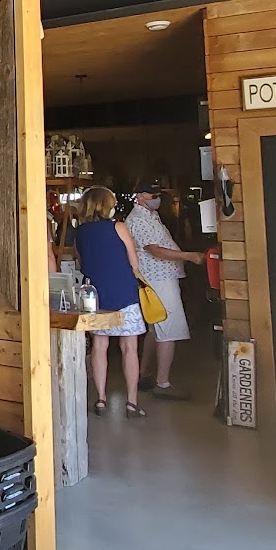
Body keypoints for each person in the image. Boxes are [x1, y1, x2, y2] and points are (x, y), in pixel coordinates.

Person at [69, 186, 148, 418]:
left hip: (95, 296)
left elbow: (81, 261)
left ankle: (101, 399)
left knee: (99, 346)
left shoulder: (80, 233)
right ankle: (132, 403)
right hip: (124, 293)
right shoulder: (118, 227)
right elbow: (134, 263)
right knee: (129, 348)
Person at [125, 179, 204, 399]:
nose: (157, 198)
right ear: (139, 196)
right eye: (152, 195)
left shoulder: (150, 215)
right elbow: (155, 250)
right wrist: (188, 256)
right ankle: (163, 383)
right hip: (158, 278)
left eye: (158, 194)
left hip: (161, 277)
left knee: (156, 328)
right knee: (169, 327)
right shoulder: (139, 219)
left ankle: (143, 374)